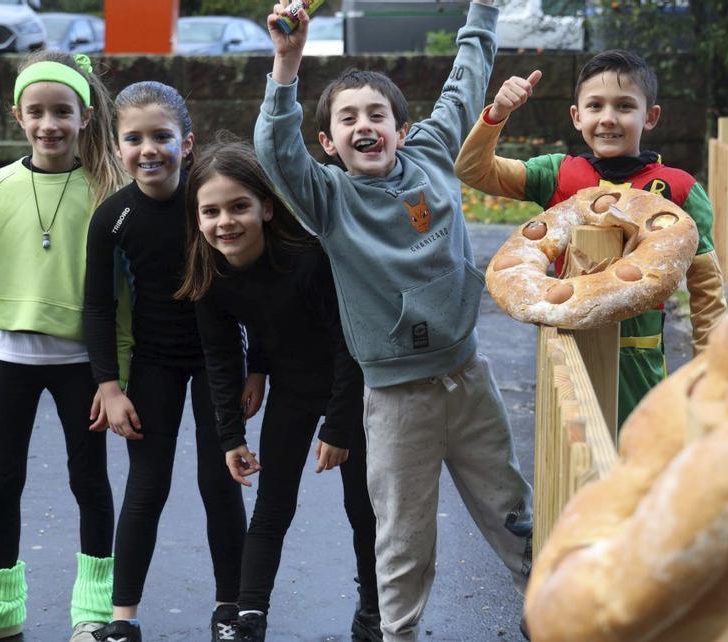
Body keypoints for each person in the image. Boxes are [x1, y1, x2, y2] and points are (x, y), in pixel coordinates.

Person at [254, 2, 534, 639]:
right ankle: (398, 633)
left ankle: (554, 611)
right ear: (328, 144)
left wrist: (485, 10)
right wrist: (287, 62)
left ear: (401, 130)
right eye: (348, 118)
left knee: (512, 511)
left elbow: (466, 80)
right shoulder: (328, 198)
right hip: (396, 399)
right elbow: (274, 149)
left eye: (377, 115)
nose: (365, 125)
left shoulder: (433, 153)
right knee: (404, 537)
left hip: (468, 379)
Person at [0, 51, 125, 642]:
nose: (49, 124)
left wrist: (119, 374)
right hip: (10, 361)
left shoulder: (108, 187)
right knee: (1, 482)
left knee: (89, 483)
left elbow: (124, 294)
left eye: (62, 111)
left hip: (83, 366)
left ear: (85, 116)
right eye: (36, 112)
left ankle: (94, 612)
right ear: (18, 116)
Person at [454, 49, 728, 427]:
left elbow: (707, 290)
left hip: (639, 354)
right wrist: (497, 114)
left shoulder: (679, 189)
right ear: (577, 116)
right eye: (595, 106)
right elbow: (473, 170)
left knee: (635, 448)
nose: (608, 118)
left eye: (625, 106)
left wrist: (710, 373)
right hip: (568, 346)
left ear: (650, 116)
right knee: (572, 449)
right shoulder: (557, 174)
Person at [175, 140, 381, 642]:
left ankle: (374, 611)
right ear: (197, 219)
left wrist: (339, 427)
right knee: (272, 506)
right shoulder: (210, 273)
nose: (225, 221)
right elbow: (222, 356)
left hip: (351, 389)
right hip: (292, 390)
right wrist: (231, 437)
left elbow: (349, 346)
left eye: (239, 207)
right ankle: (249, 617)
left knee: (363, 508)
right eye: (211, 211)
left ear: (266, 208)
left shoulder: (307, 260)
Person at [82, 82, 249, 642]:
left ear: (188, 143)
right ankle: (122, 619)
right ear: (117, 147)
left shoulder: (209, 201)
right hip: (153, 364)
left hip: (217, 361)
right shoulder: (113, 218)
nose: (148, 149)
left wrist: (257, 366)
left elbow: (253, 285)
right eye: (134, 139)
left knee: (218, 481)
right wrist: (109, 386)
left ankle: (230, 609)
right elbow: (97, 306)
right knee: (146, 486)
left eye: (162, 136)